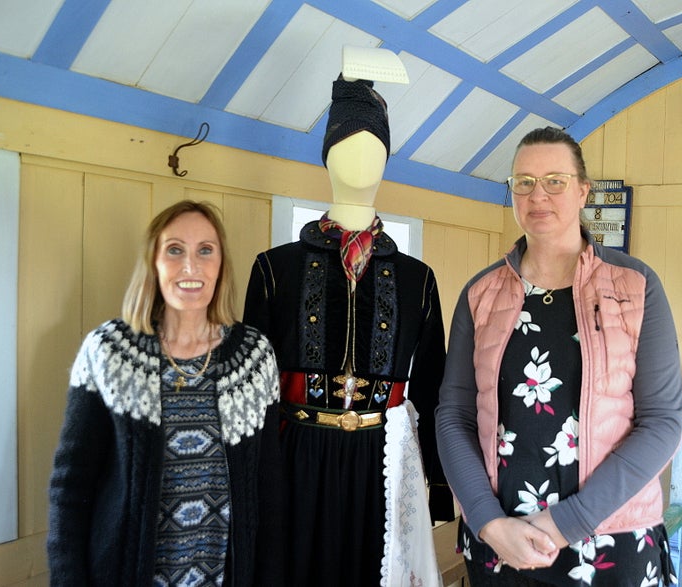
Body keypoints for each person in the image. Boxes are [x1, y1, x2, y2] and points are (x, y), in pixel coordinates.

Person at [436, 127, 682, 586]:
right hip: (501, 540)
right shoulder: (481, 294)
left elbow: (663, 421)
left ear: (583, 190)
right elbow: (454, 415)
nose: (538, 195)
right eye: (523, 182)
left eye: (555, 180)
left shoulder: (636, 285)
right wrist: (487, 520)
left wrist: (568, 521)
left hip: (610, 539)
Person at [243, 75, 452, 586]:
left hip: (381, 460)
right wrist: (253, 477)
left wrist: (439, 483)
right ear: (327, 156)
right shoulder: (275, 268)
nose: (361, 165)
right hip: (298, 455)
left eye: (375, 151)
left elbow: (433, 385)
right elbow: (254, 387)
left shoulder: (417, 279)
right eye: (346, 148)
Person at [47, 200, 282, 586]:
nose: (191, 267)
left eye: (205, 250)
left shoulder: (254, 357)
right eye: (175, 250)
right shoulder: (108, 351)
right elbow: (70, 486)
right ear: (153, 263)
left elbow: (269, 490)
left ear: (221, 264)